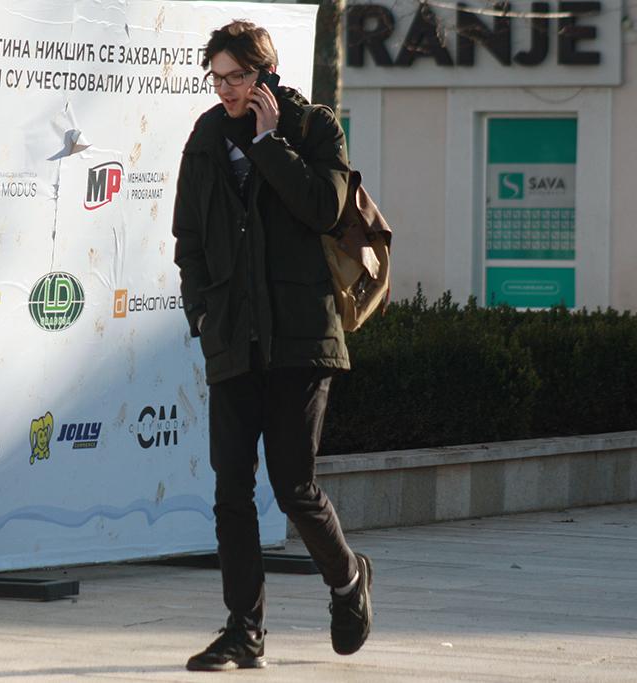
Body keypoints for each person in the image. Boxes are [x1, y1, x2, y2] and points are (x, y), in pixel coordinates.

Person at [171, 20, 373, 672]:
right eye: (217, 78)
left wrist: (267, 143)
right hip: (233, 337)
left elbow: (324, 207)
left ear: (266, 74)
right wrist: (202, 310)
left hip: (300, 337)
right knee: (231, 490)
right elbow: (188, 238)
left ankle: (348, 579)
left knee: (294, 487)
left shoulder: (314, 128)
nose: (226, 89)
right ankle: (244, 631)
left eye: (237, 76)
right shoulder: (205, 138)